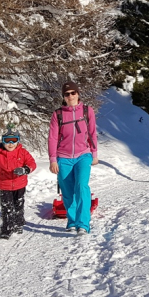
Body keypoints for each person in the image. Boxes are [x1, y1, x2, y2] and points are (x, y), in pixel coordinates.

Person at [49, 81, 98, 236]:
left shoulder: (87, 111)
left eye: (73, 93)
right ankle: (72, 221)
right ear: (63, 96)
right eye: (67, 94)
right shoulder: (58, 114)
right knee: (67, 191)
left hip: (83, 155)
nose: (70, 96)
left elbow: (92, 133)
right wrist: (53, 159)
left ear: (78, 94)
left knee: (82, 186)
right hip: (63, 157)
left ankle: (83, 224)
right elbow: (52, 138)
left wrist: (94, 154)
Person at [0, 127, 37, 239]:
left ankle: (18, 223)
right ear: (3, 141)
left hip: (19, 184)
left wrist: (25, 169)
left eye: (14, 140)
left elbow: (32, 163)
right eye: (7, 140)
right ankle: (6, 229)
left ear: (18, 140)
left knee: (18, 204)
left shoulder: (23, 152)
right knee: (7, 207)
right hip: (4, 185)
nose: (11, 143)